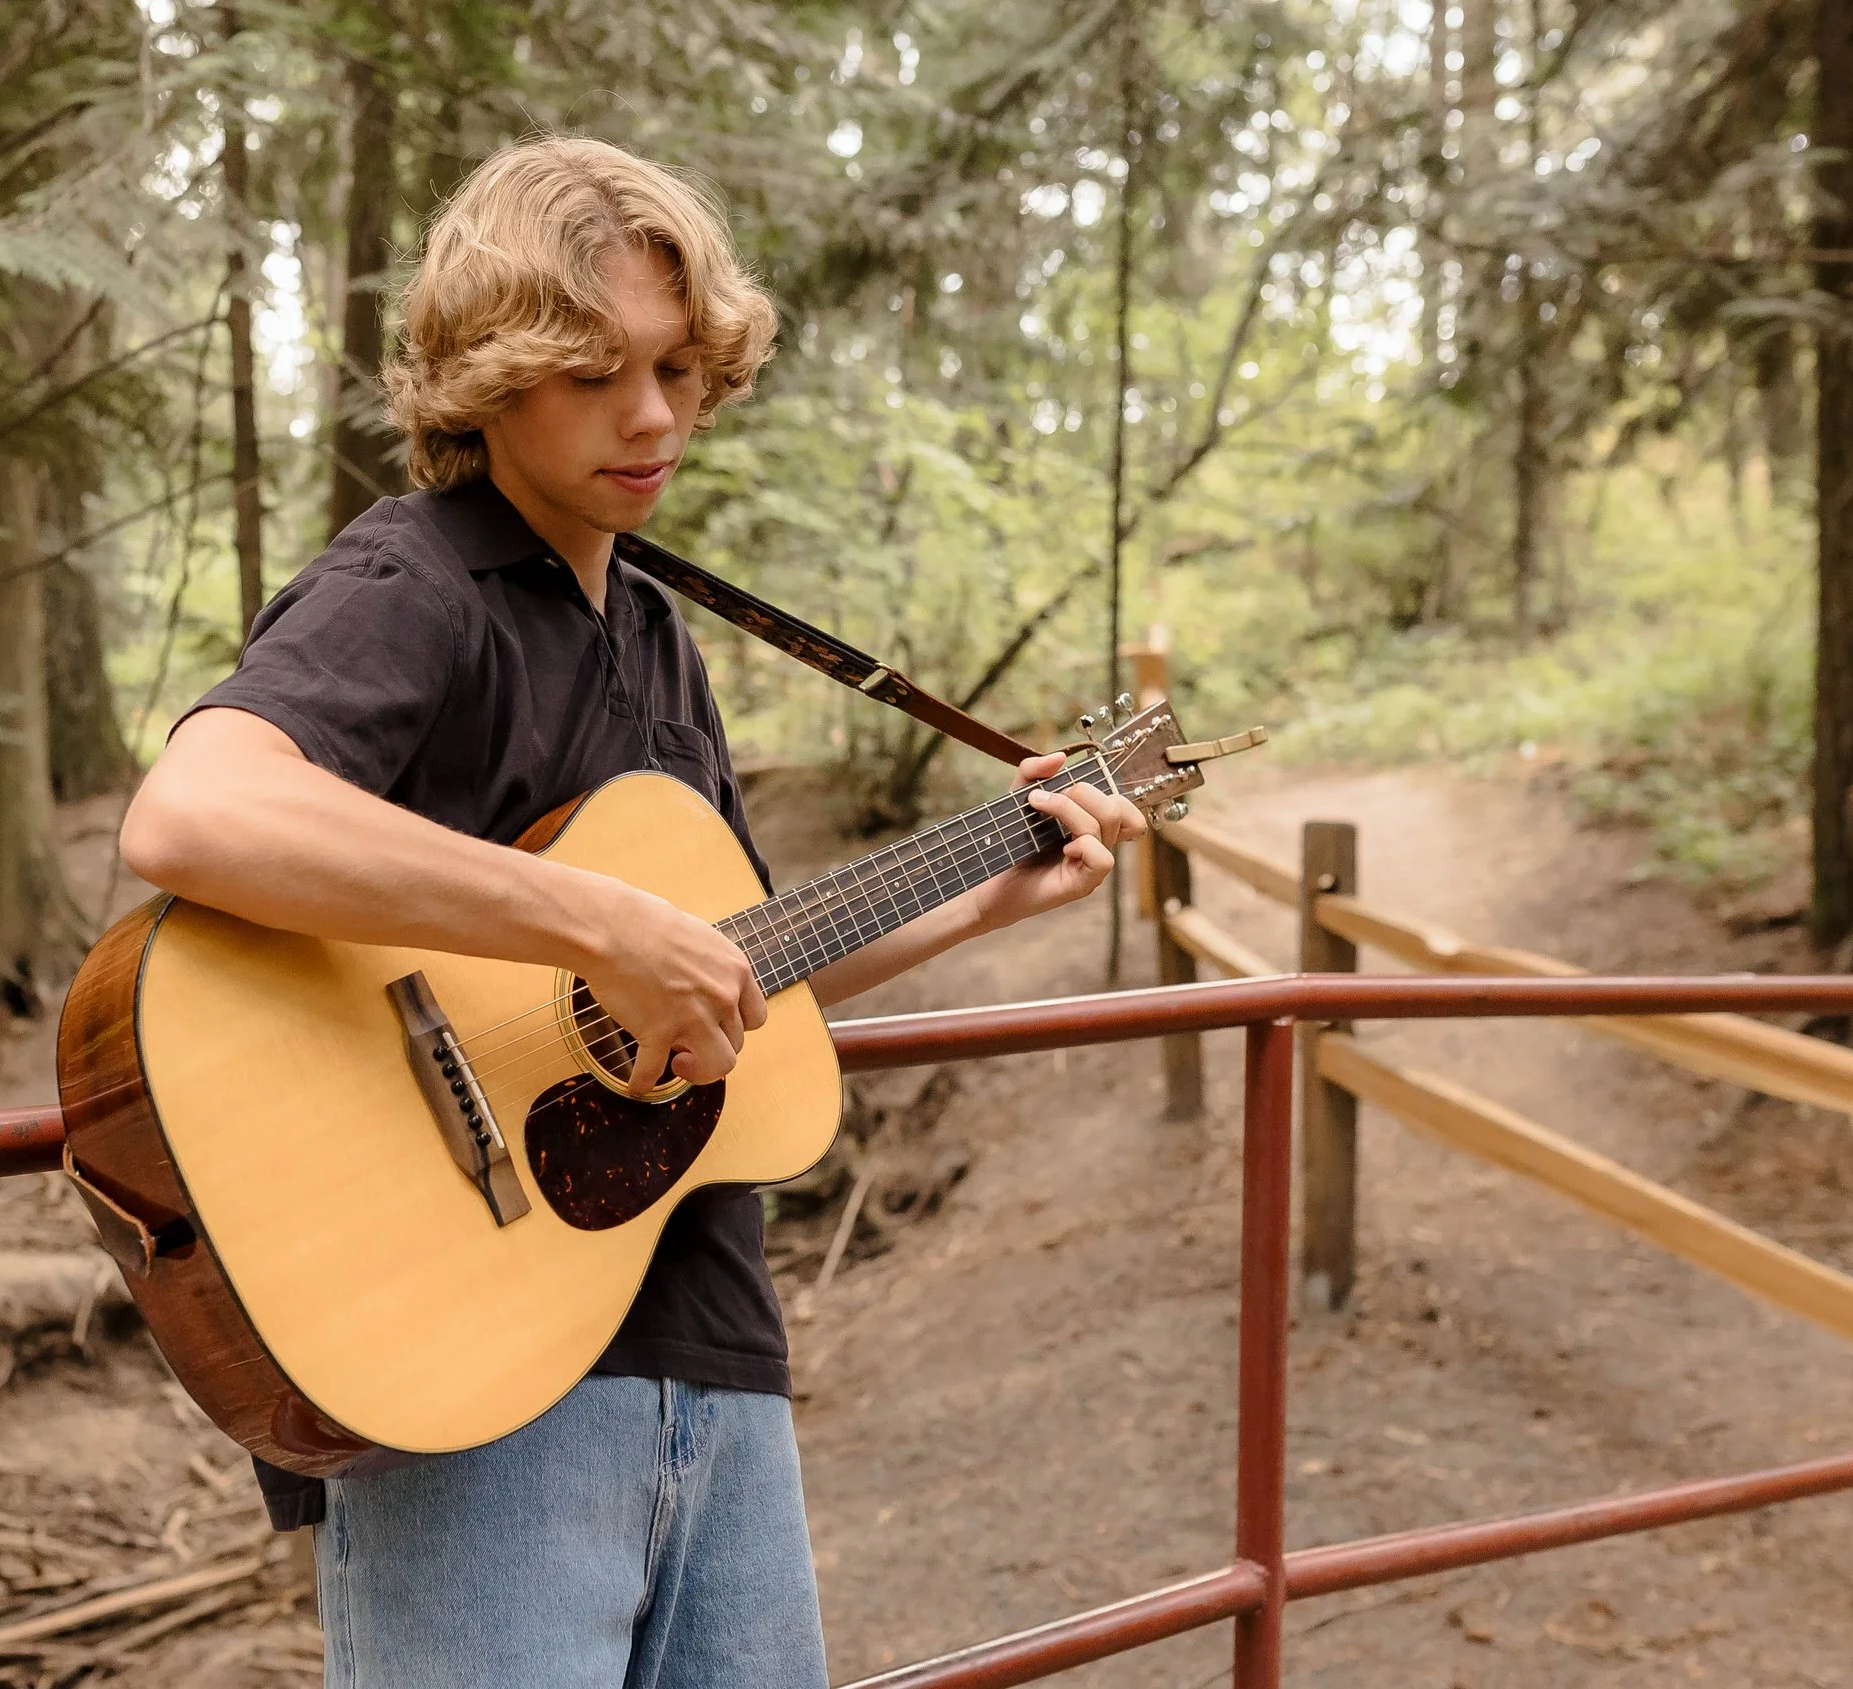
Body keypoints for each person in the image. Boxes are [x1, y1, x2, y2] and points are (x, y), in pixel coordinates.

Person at [117, 133, 1144, 1689]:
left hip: (707, 1338)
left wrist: (988, 897)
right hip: (476, 1365)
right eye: (593, 372)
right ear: (489, 373)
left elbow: (722, 970)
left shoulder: (657, 638)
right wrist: (594, 924)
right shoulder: (419, 581)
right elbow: (195, 812)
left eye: (674, 365)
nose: (653, 415)